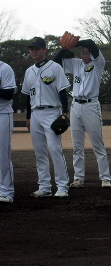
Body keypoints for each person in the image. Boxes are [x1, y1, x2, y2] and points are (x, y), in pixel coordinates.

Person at [53, 37, 111, 188]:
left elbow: (91, 43)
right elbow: (56, 61)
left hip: (91, 106)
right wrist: (65, 48)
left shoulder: (98, 63)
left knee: (97, 144)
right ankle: (78, 178)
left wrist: (76, 43)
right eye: (83, 53)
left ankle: (105, 178)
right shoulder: (75, 63)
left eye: (87, 53)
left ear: (92, 54)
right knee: (77, 146)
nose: (85, 55)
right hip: (75, 106)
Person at [22, 37, 71, 198]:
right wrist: (28, 117)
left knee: (55, 149)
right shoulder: (29, 71)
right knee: (39, 152)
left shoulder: (55, 67)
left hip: (52, 112)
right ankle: (44, 187)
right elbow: (28, 97)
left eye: (37, 48)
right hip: (35, 114)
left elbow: (62, 91)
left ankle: (63, 186)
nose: (34, 51)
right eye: (31, 49)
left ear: (45, 50)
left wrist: (65, 113)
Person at [0, 59, 17, 203]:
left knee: (3, 154)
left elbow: (9, 93)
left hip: (2, 114)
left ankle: (6, 191)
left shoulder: (4, 68)